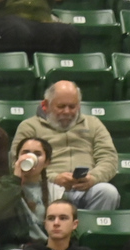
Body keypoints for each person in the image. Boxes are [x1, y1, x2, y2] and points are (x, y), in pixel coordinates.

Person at [9, 82, 119, 213]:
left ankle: (90, 232)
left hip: (87, 188)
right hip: (47, 187)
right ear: (45, 105)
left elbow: (109, 158)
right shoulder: (29, 126)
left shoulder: (93, 124)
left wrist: (93, 178)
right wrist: (54, 178)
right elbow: (17, 163)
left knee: (108, 192)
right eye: (61, 106)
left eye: (72, 107)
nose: (67, 111)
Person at [0, 135, 61, 250]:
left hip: (48, 249)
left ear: (47, 162)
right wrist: (15, 179)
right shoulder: (2, 187)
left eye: (38, 154)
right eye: (25, 153)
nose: (30, 157)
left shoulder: (56, 192)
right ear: (17, 158)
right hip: (13, 249)